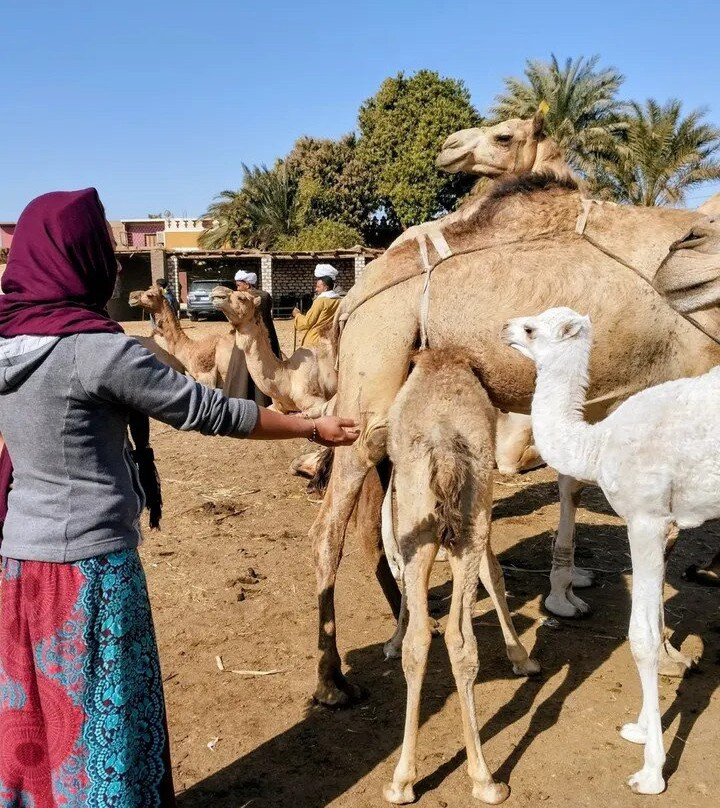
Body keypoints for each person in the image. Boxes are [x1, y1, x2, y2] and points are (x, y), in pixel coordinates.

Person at [0, 189, 357, 808]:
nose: (113, 268)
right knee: (104, 723)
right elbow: (207, 409)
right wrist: (308, 427)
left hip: (18, 565)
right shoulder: (95, 350)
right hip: (89, 569)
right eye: (102, 253)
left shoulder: (8, 343)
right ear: (75, 259)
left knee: (44, 718)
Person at [234, 269, 280, 407]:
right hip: (266, 337)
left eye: (238, 285)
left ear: (247, 284)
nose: (237, 288)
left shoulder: (250, 298)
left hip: (252, 338)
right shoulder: (265, 296)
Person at [293, 263, 342, 347]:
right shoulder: (339, 300)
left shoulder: (320, 301)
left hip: (315, 340)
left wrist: (297, 315)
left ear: (325, 287)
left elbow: (307, 322)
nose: (316, 289)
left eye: (318, 287)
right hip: (331, 340)